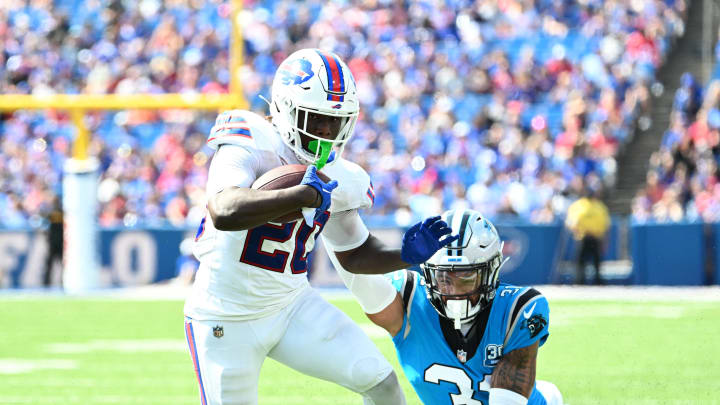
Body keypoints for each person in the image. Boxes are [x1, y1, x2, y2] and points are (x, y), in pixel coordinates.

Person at [184, 48, 458, 405]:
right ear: (284, 106)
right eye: (315, 118)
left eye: (335, 121)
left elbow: (355, 255)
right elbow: (224, 209)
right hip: (224, 315)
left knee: (382, 384)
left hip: (291, 304)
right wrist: (300, 196)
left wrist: (405, 255)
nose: (326, 131)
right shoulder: (250, 141)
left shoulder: (342, 177)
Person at [327, 208, 564, 405]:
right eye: (443, 278)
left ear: (491, 272)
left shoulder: (518, 308)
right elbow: (359, 279)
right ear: (427, 275)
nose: (453, 292)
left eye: (466, 277)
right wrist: (331, 215)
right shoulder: (410, 299)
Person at [565, 188, 611, 285]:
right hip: (583, 237)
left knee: (596, 263)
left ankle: (597, 283)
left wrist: (604, 240)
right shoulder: (579, 205)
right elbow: (570, 222)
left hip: (594, 237)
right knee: (580, 264)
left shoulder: (598, 206)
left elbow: (606, 225)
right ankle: (579, 283)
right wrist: (577, 231)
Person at [44, 195, 63, 287]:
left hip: (53, 242)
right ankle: (62, 282)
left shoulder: (50, 213)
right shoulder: (62, 212)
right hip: (59, 242)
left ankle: (47, 283)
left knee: (50, 264)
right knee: (60, 264)